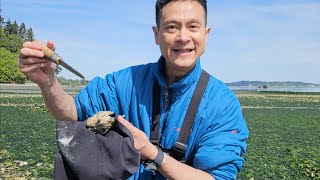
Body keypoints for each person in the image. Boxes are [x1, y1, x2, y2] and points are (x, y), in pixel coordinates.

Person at [18, 0, 249, 179]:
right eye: (171, 27)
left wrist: (152, 153)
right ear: (156, 35)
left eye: (193, 26)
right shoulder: (124, 82)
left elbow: (215, 178)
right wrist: (48, 82)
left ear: (206, 35)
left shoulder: (223, 105)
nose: (183, 37)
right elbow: (72, 114)